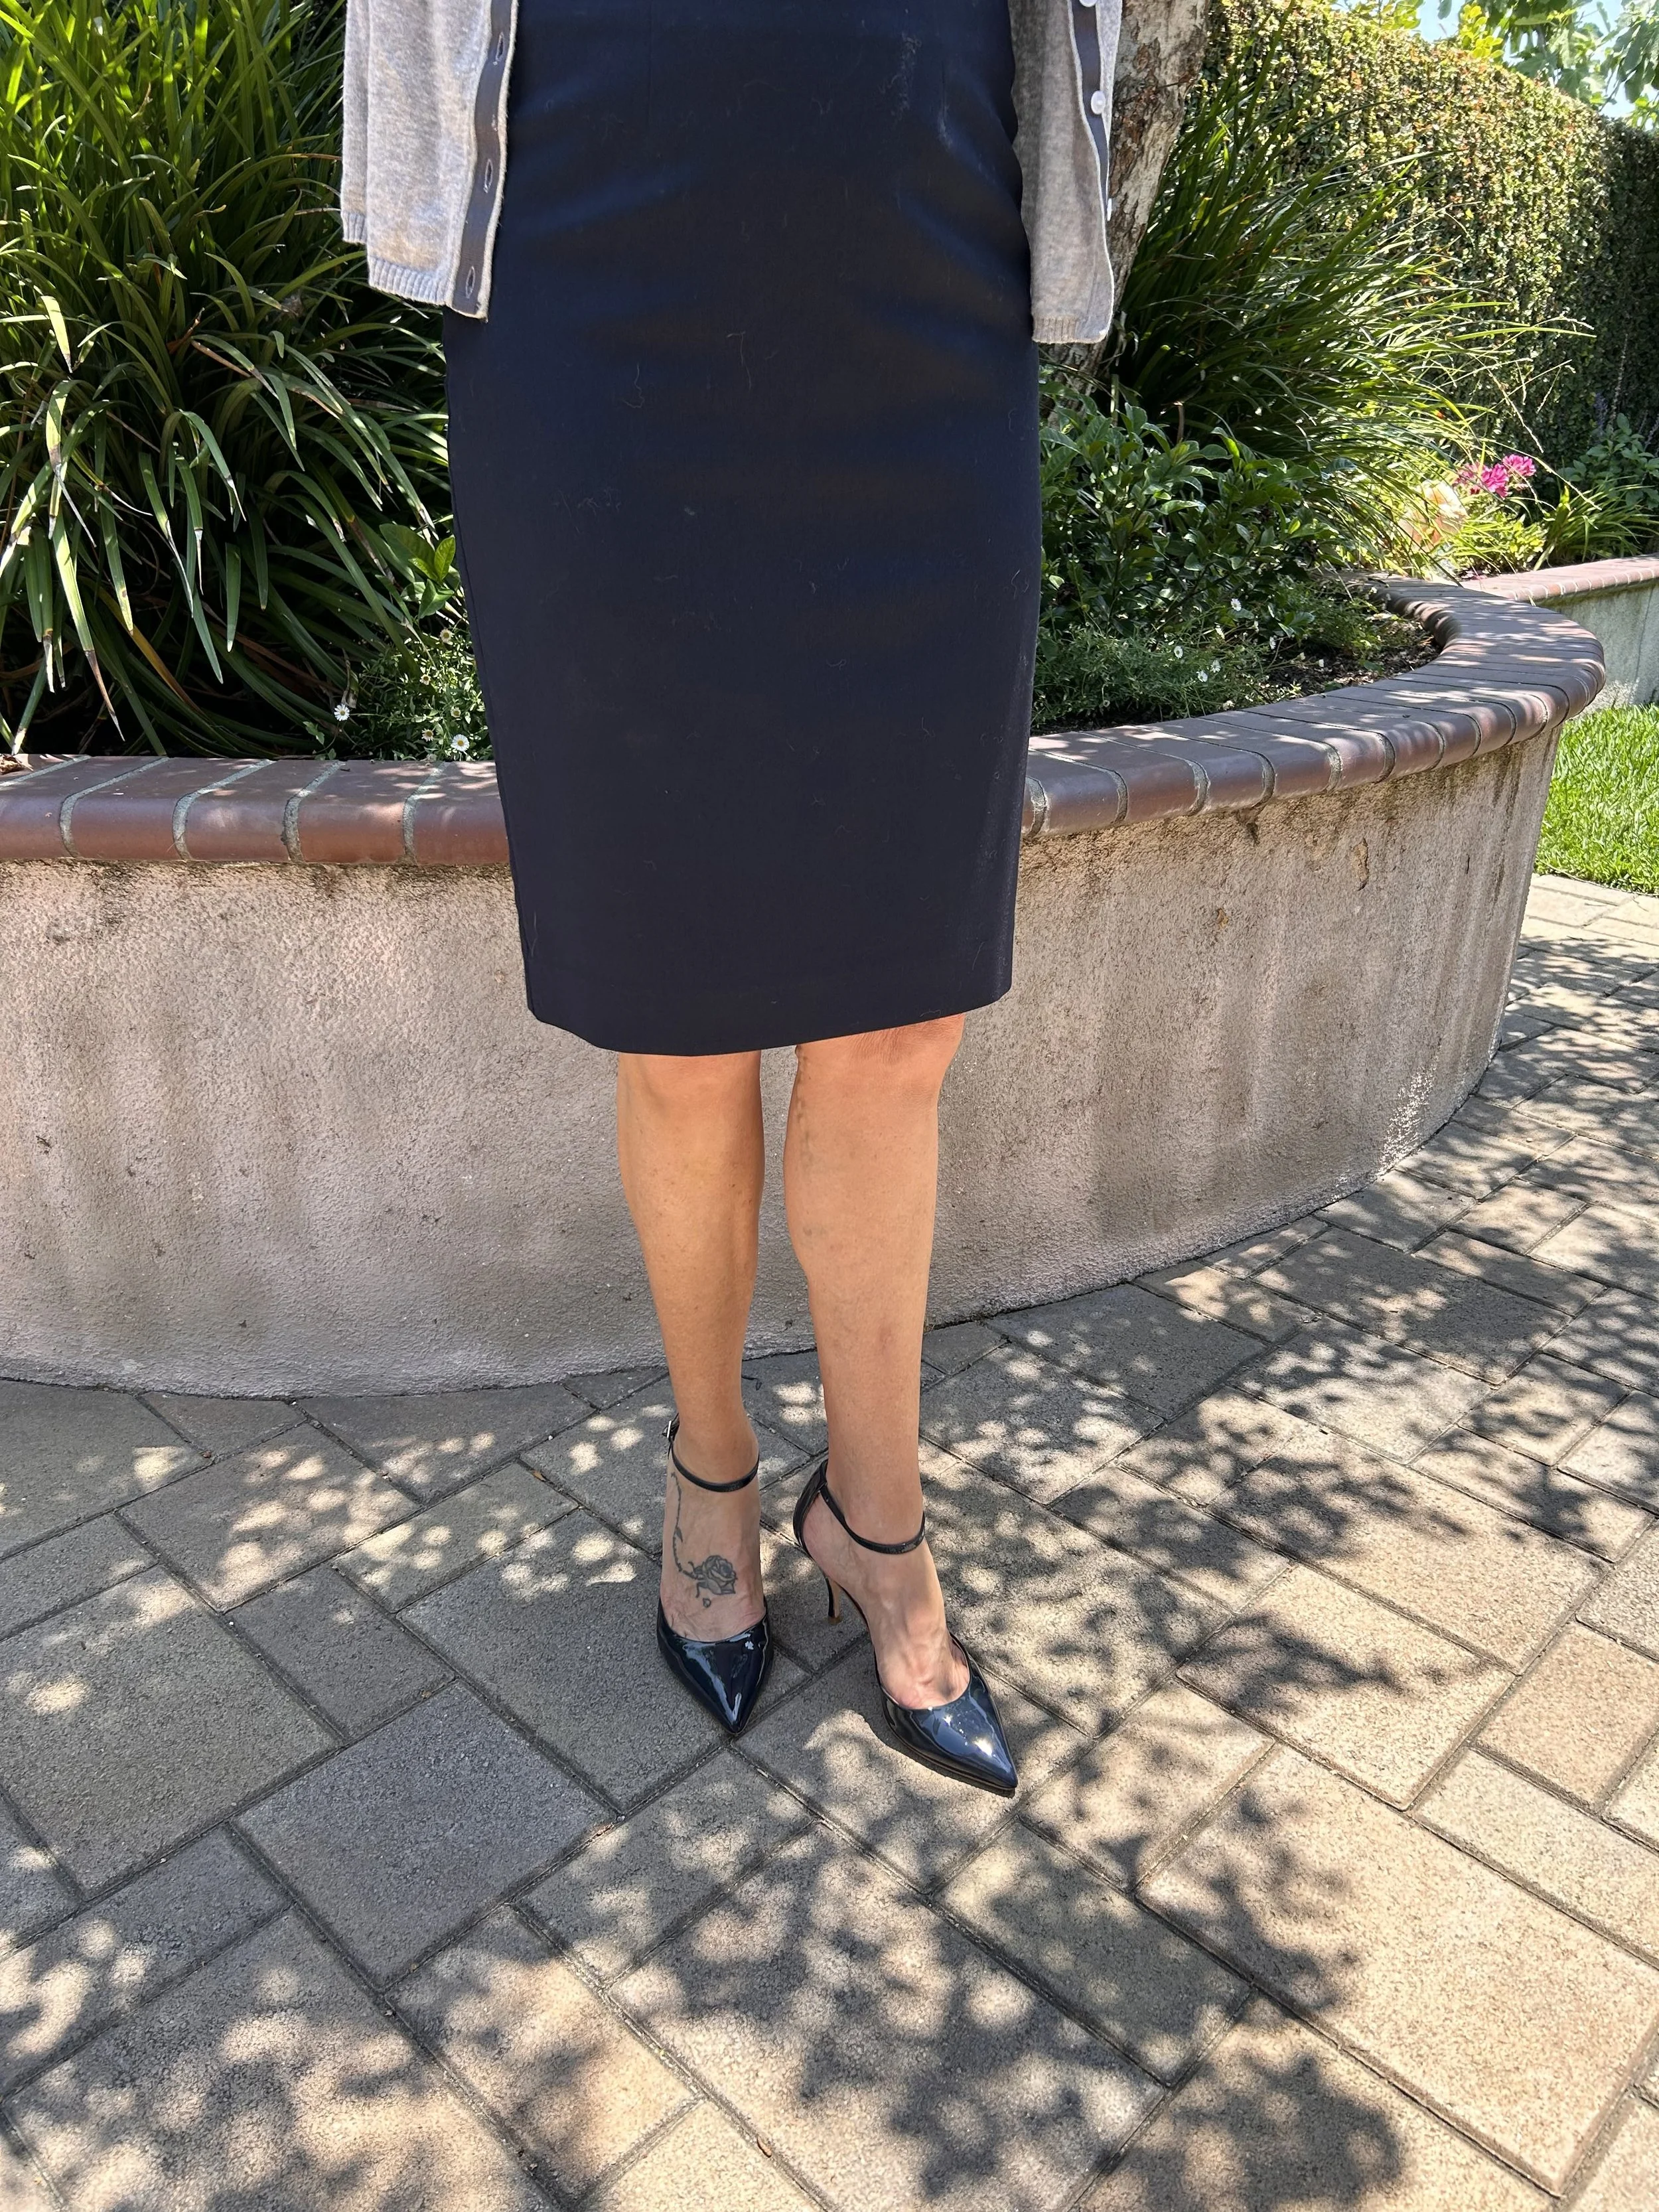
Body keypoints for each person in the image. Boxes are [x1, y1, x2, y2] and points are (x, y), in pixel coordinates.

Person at [340, 0, 1120, 1793]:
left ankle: (879, 1515)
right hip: (592, 239)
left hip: (923, 254)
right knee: (674, 1017)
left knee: (903, 1011)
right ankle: (712, 1471)